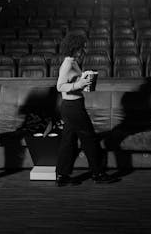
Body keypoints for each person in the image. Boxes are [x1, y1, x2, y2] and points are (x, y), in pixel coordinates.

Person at [55, 33, 118, 186]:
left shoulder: (73, 62)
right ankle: (98, 173)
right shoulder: (68, 63)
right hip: (73, 108)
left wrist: (84, 79)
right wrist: (80, 84)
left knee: (68, 141)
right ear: (74, 48)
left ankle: (62, 176)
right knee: (89, 139)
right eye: (81, 48)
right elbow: (60, 86)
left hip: (72, 106)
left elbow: (73, 81)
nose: (83, 50)